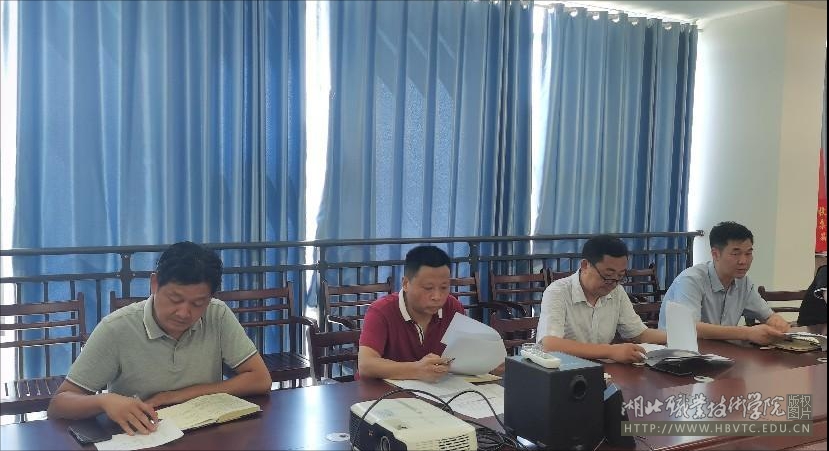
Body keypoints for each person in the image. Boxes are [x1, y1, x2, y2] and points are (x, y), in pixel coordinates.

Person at [47, 241, 272, 434]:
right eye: (175, 299)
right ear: (154, 283)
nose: (184, 313)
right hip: (143, 435)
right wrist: (103, 401)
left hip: (204, 434)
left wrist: (175, 396)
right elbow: (59, 405)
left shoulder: (217, 314)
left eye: (198, 303)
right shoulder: (116, 328)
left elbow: (260, 379)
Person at [536, 235, 667, 364]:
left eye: (620, 276)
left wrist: (675, 336)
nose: (613, 283)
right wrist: (610, 351)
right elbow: (550, 344)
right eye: (608, 275)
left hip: (603, 370)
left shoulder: (617, 292)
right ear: (585, 265)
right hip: (565, 370)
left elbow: (639, 334)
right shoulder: (558, 292)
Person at [658, 221, 789, 344]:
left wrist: (775, 321)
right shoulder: (691, 280)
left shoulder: (743, 282)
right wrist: (746, 333)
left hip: (722, 353)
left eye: (748, 254)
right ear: (715, 254)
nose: (743, 261)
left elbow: (767, 315)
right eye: (736, 254)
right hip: (680, 353)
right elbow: (690, 327)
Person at [358, 245, 465, 381]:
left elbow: (465, 352)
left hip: (438, 388)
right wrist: (417, 370)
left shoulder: (453, 307)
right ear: (406, 283)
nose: (437, 296)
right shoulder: (381, 311)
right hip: (383, 391)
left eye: (444, 287)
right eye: (428, 288)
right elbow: (366, 365)